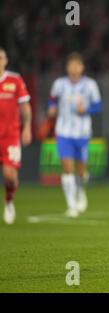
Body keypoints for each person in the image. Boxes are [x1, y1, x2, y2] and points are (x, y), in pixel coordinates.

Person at [47, 52, 102, 218]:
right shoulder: (59, 84)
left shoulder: (90, 85)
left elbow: (98, 106)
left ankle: (80, 190)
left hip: (82, 132)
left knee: (81, 171)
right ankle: (71, 205)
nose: (74, 68)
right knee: (67, 168)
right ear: (67, 67)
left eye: (77, 65)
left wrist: (86, 110)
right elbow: (52, 99)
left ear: (82, 67)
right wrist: (51, 107)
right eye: (71, 65)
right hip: (63, 131)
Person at [0, 47, 32, 224]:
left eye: (1, 58)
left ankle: (9, 201)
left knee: (9, 177)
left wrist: (26, 128)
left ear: (5, 60)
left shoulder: (15, 80)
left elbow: (25, 107)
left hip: (10, 136)